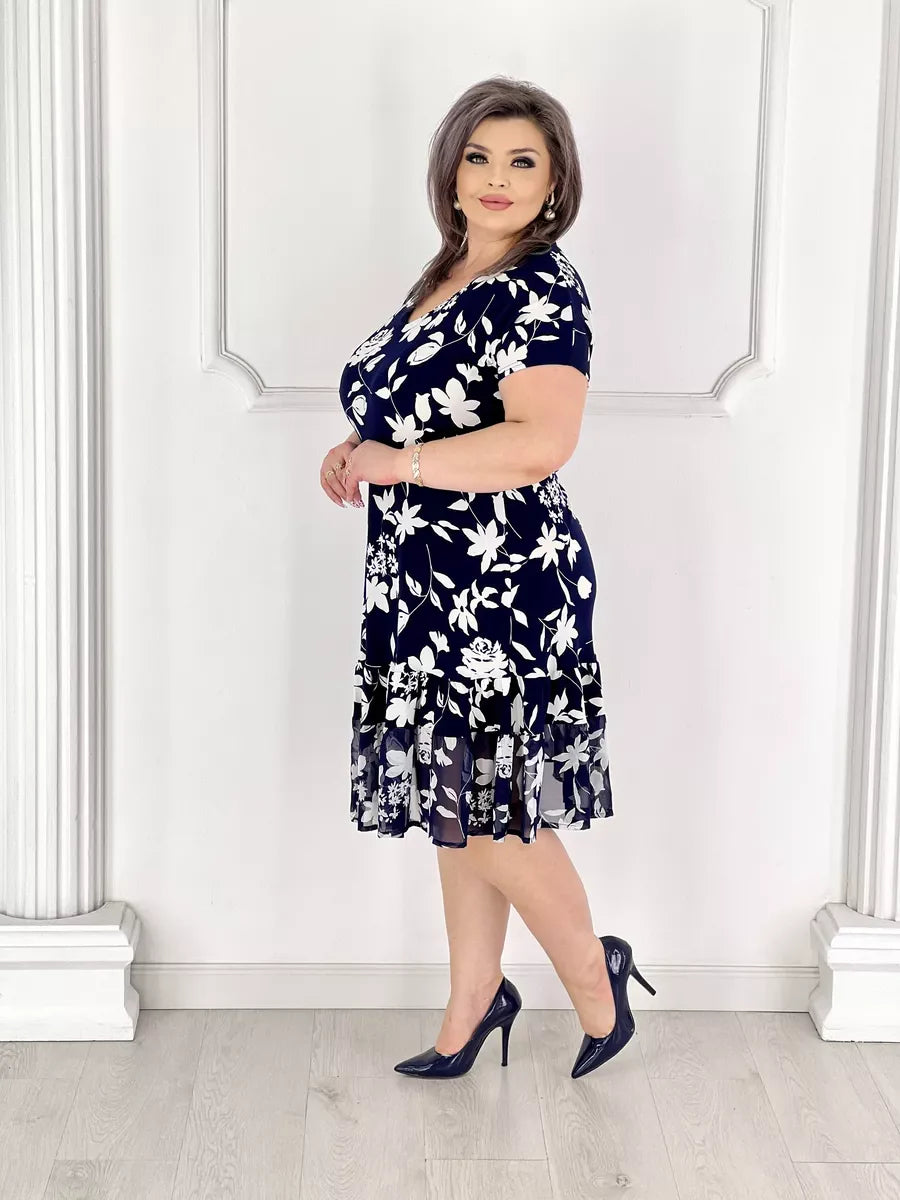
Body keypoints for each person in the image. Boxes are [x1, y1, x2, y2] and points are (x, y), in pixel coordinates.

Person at [320, 76, 655, 1080]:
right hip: (419, 584)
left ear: (555, 184)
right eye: (479, 156)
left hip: (500, 583)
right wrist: (359, 448)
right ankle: (474, 998)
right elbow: (424, 408)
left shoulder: (540, 285)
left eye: (522, 161)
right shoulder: (449, 273)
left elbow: (541, 441)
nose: (497, 178)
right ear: (451, 171)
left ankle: (595, 976)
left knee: (490, 805)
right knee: (456, 796)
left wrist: (399, 462)